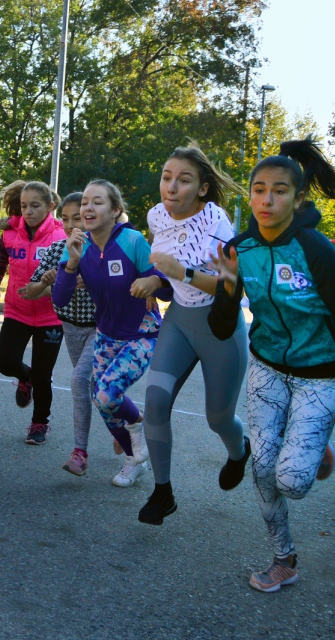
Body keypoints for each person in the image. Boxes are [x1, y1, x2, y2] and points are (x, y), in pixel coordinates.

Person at [208, 138, 335, 593]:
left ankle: (314, 445)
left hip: (320, 374)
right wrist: (225, 285)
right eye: (258, 189)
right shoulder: (240, 250)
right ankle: (284, 559)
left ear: (298, 199)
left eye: (279, 191)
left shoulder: (318, 251)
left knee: (293, 481)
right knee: (263, 470)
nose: (266, 199)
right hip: (266, 367)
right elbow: (223, 327)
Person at [137, 146, 250, 526]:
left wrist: (180, 271)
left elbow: (232, 288)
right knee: (154, 402)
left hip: (219, 326)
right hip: (180, 321)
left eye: (183, 180)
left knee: (218, 418)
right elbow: (166, 270)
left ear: (202, 189)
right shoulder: (156, 216)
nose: (171, 186)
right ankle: (162, 491)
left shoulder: (217, 226)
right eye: (167, 177)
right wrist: (158, 278)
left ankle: (239, 452)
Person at [52, 180, 172, 487]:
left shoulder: (132, 240)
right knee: (101, 399)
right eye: (85, 203)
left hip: (141, 335)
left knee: (106, 394)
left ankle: (137, 427)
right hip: (106, 335)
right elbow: (60, 299)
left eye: (98, 202)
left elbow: (164, 283)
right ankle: (135, 459)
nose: (88, 208)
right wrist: (72, 263)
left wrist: (154, 282)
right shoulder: (80, 246)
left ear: (115, 210)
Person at [19, 193, 102, 474]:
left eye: (76, 218)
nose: (69, 225)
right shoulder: (56, 250)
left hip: (101, 327)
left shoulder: (101, 249)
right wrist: (43, 281)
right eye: (64, 219)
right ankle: (126, 426)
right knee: (98, 389)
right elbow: (31, 291)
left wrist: (89, 281)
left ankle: (80, 452)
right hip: (70, 327)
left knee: (80, 381)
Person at [0, 180, 66, 445]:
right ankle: (25, 376)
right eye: (24, 206)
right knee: (5, 362)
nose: (29, 212)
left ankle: (39, 424)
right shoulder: (10, 234)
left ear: (50, 207)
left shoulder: (62, 235)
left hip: (51, 316)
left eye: (35, 206)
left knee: (44, 377)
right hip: (17, 311)